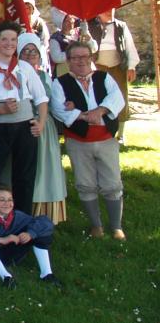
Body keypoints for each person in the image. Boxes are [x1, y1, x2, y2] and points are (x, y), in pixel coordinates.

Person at [50, 41, 127, 240]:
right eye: (75, 58)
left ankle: (116, 227)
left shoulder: (104, 77)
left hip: (105, 139)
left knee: (112, 182)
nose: (81, 61)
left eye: (85, 57)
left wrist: (100, 111)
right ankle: (96, 226)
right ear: (68, 61)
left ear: (91, 58)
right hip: (78, 141)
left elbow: (117, 100)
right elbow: (57, 108)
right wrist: (85, 116)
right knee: (85, 183)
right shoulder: (60, 83)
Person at [0, 21, 48, 214]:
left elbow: (41, 98)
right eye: (4, 39)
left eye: (13, 40)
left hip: (25, 127)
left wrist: (40, 123)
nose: (9, 43)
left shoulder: (24, 67)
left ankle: (22, 220)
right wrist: (3, 110)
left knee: (25, 176)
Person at [0, 185, 61, 288]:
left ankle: (46, 274)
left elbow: (45, 222)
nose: (7, 203)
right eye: (2, 200)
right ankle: (6, 276)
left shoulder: (17, 216)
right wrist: (1, 240)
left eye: (10, 200)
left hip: (11, 253)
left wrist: (30, 234)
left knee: (40, 233)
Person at [17, 32, 67, 225]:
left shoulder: (45, 76)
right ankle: (23, 210)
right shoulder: (13, 75)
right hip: (22, 126)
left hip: (44, 129)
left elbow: (54, 102)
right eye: (25, 51)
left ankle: (45, 214)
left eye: (34, 51)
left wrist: (67, 106)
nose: (30, 55)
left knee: (45, 170)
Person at [87, 9, 139, 141]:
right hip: (98, 66)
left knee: (121, 97)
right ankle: (101, 131)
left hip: (117, 66)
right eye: (105, 10)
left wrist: (131, 66)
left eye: (111, 9)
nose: (109, 12)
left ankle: (121, 134)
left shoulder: (121, 26)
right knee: (98, 97)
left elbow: (129, 46)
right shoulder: (90, 26)